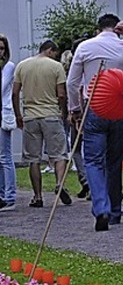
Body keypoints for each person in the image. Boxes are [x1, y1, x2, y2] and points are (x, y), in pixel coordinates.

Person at [66, 13, 123, 231]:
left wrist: (74, 109)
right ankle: (115, 210)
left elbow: (72, 82)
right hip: (120, 108)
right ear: (117, 28)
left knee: (94, 160)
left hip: (94, 106)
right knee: (114, 161)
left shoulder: (86, 47)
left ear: (99, 28)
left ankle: (101, 207)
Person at [12, 40, 72, 208]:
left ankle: (37, 196)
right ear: (50, 50)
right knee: (59, 154)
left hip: (30, 116)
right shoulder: (56, 67)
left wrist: (18, 114)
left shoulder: (22, 66)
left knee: (33, 159)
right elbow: (61, 94)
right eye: (55, 52)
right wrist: (63, 111)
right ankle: (60, 183)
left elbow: (15, 93)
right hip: (51, 115)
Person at [60, 47, 90, 200]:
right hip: (90, 110)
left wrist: (73, 112)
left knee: (76, 148)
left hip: (79, 113)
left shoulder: (73, 76)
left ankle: (85, 179)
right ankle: (89, 182)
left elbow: (72, 90)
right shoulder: (90, 72)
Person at [0, 33, 17, 212]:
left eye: (2, 49)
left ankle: (9, 194)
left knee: (5, 155)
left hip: (3, 114)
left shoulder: (9, 67)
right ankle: (1, 193)